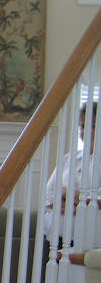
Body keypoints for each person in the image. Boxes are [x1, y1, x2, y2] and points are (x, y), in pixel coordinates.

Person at [44, 101, 98, 247]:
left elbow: (97, 201)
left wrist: (66, 193)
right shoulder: (68, 158)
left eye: (92, 126)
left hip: (88, 238)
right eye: (82, 126)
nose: (86, 131)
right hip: (54, 234)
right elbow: (48, 194)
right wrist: (77, 203)